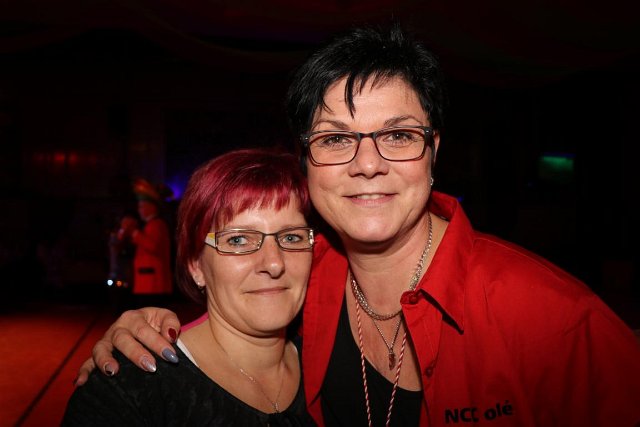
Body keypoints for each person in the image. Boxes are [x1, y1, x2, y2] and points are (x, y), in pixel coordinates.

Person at [76, 24, 640, 426]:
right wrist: (144, 326)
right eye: (336, 138)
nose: (367, 164)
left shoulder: (558, 322)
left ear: (434, 150)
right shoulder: (303, 274)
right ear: (307, 160)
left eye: (398, 134)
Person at [64, 149, 316, 425]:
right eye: (238, 240)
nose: (274, 263)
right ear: (196, 266)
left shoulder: (332, 365)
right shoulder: (130, 393)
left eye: (292, 237)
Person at [123, 178, 174, 305]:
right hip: (147, 283)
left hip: (153, 284)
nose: (139, 210)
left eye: (141, 206)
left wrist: (134, 232)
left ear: (151, 207)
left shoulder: (157, 224)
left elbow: (153, 246)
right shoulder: (149, 225)